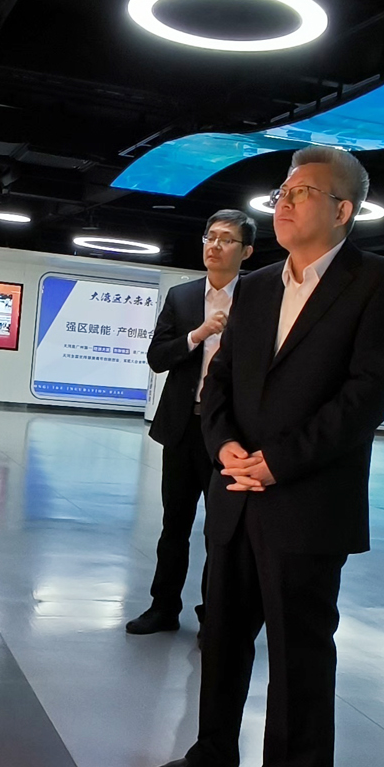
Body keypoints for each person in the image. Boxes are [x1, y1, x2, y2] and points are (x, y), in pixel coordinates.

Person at [147, 145, 384, 767]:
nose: (285, 202)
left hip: (308, 503)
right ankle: (212, 749)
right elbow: (219, 382)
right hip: (235, 492)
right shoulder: (260, 285)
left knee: (300, 654)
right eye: (283, 192)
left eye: (302, 192)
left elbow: (368, 395)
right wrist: (226, 448)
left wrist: (281, 462)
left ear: (343, 209)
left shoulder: (380, 284)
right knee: (222, 635)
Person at [127, 209, 256, 635]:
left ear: (246, 251)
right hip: (183, 428)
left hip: (230, 435)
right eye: (210, 237)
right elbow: (157, 357)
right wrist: (198, 334)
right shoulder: (182, 297)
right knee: (174, 526)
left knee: (220, 533)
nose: (215, 246)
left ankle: (213, 617)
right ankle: (163, 608)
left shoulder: (258, 297)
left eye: (226, 239)